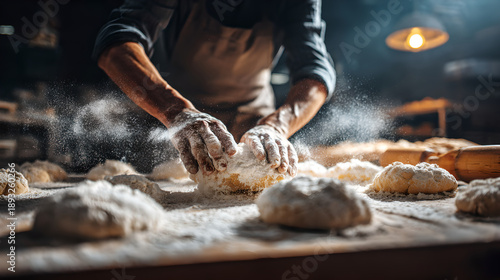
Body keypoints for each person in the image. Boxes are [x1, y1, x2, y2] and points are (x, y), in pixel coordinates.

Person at [93, 0, 335, 177]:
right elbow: (117, 43)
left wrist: (276, 126)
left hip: (253, 133)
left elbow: (314, 71)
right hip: (168, 129)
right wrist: (177, 112)